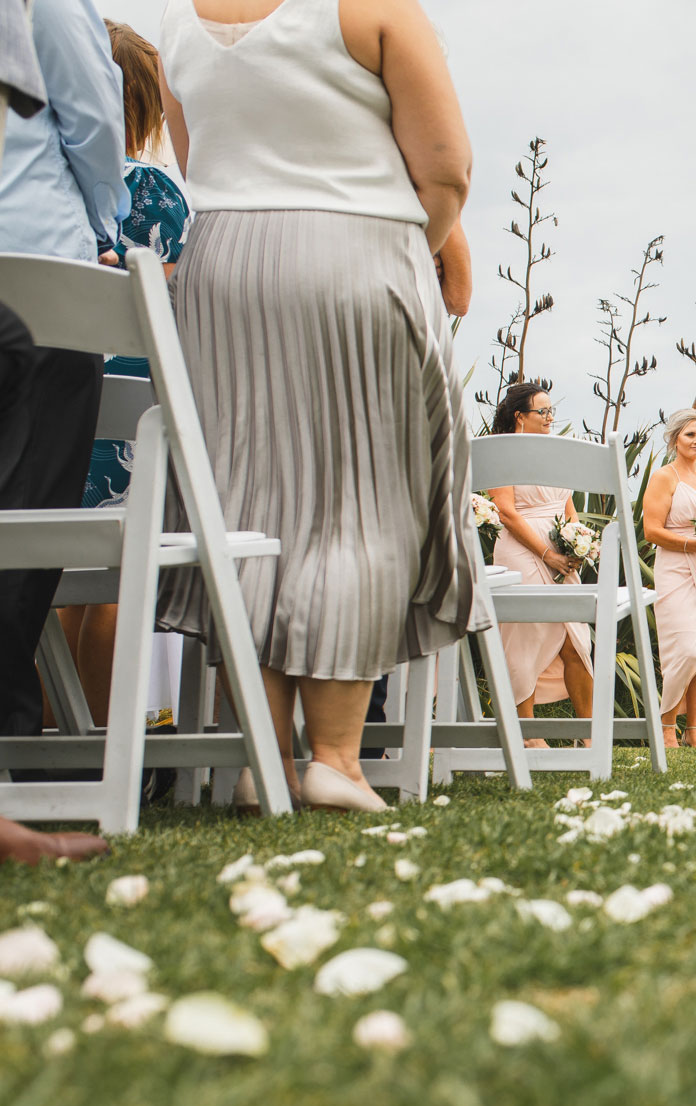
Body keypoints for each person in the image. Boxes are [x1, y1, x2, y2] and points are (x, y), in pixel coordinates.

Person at [156, 0, 480, 813]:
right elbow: (446, 171)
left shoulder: (175, 24)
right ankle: (335, 756)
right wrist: (407, 245)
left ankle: (257, 760)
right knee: (358, 505)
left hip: (221, 269)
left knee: (243, 507)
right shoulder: (371, 7)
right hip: (356, 249)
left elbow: (202, 166)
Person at [60, 20, 193, 731]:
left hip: (65, 405)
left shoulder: (59, 193)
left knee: (61, 583)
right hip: (136, 418)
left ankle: (56, 733)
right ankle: (112, 745)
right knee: (116, 582)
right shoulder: (161, 195)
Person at [0, 0, 124, 749]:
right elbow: (91, 115)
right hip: (39, 273)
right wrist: (102, 221)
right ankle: (9, 728)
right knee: (30, 511)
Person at [487, 382, 594, 747]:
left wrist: (578, 541)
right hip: (521, 551)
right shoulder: (501, 455)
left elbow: (567, 505)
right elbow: (505, 512)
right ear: (520, 417)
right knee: (523, 640)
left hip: (563, 555)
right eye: (542, 412)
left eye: (552, 412)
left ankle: (588, 733)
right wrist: (546, 554)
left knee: (575, 641)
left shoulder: (556, 453)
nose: (550, 418)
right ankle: (527, 732)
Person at [642, 410, 696, 748]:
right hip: (676, 568)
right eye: (690, 435)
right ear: (675, 439)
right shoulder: (664, 478)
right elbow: (652, 531)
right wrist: (695, 545)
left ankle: (693, 729)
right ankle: (666, 724)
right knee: (684, 650)